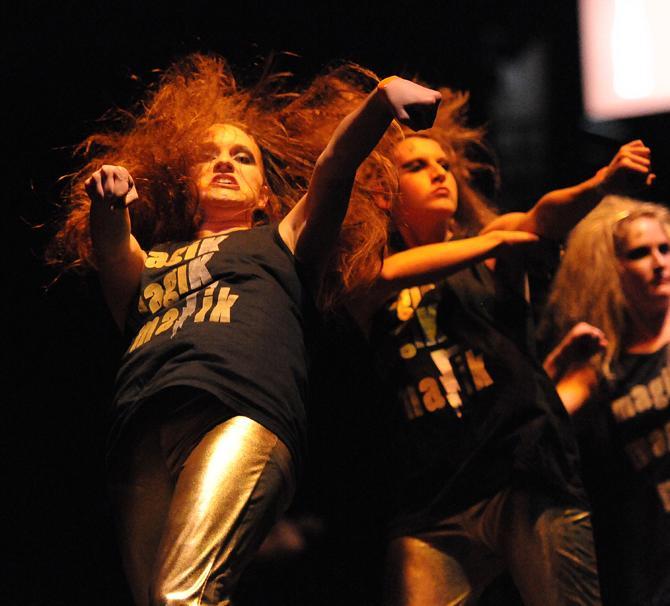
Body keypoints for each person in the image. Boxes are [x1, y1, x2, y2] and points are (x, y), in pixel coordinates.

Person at [46, 53, 441, 606]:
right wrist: (110, 202)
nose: (226, 163)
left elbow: (333, 166)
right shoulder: (152, 257)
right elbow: (113, 250)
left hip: (240, 411)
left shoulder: (283, 239)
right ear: (185, 181)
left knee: (183, 596)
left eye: (243, 157)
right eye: (209, 156)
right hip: (140, 433)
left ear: (265, 194)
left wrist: (380, 101)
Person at [328, 82, 655, 605]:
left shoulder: (491, 248)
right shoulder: (372, 278)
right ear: (384, 194)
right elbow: (378, 276)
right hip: (431, 503)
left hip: (522, 471)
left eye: (443, 164)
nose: (440, 173)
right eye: (417, 166)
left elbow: (542, 219)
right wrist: (496, 239)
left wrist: (599, 182)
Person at [540, 196, 670, 606]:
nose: (660, 262)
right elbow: (537, 428)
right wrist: (555, 367)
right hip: (651, 562)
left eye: (665, 248)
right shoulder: (602, 364)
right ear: (611, 268)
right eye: (639, 253)